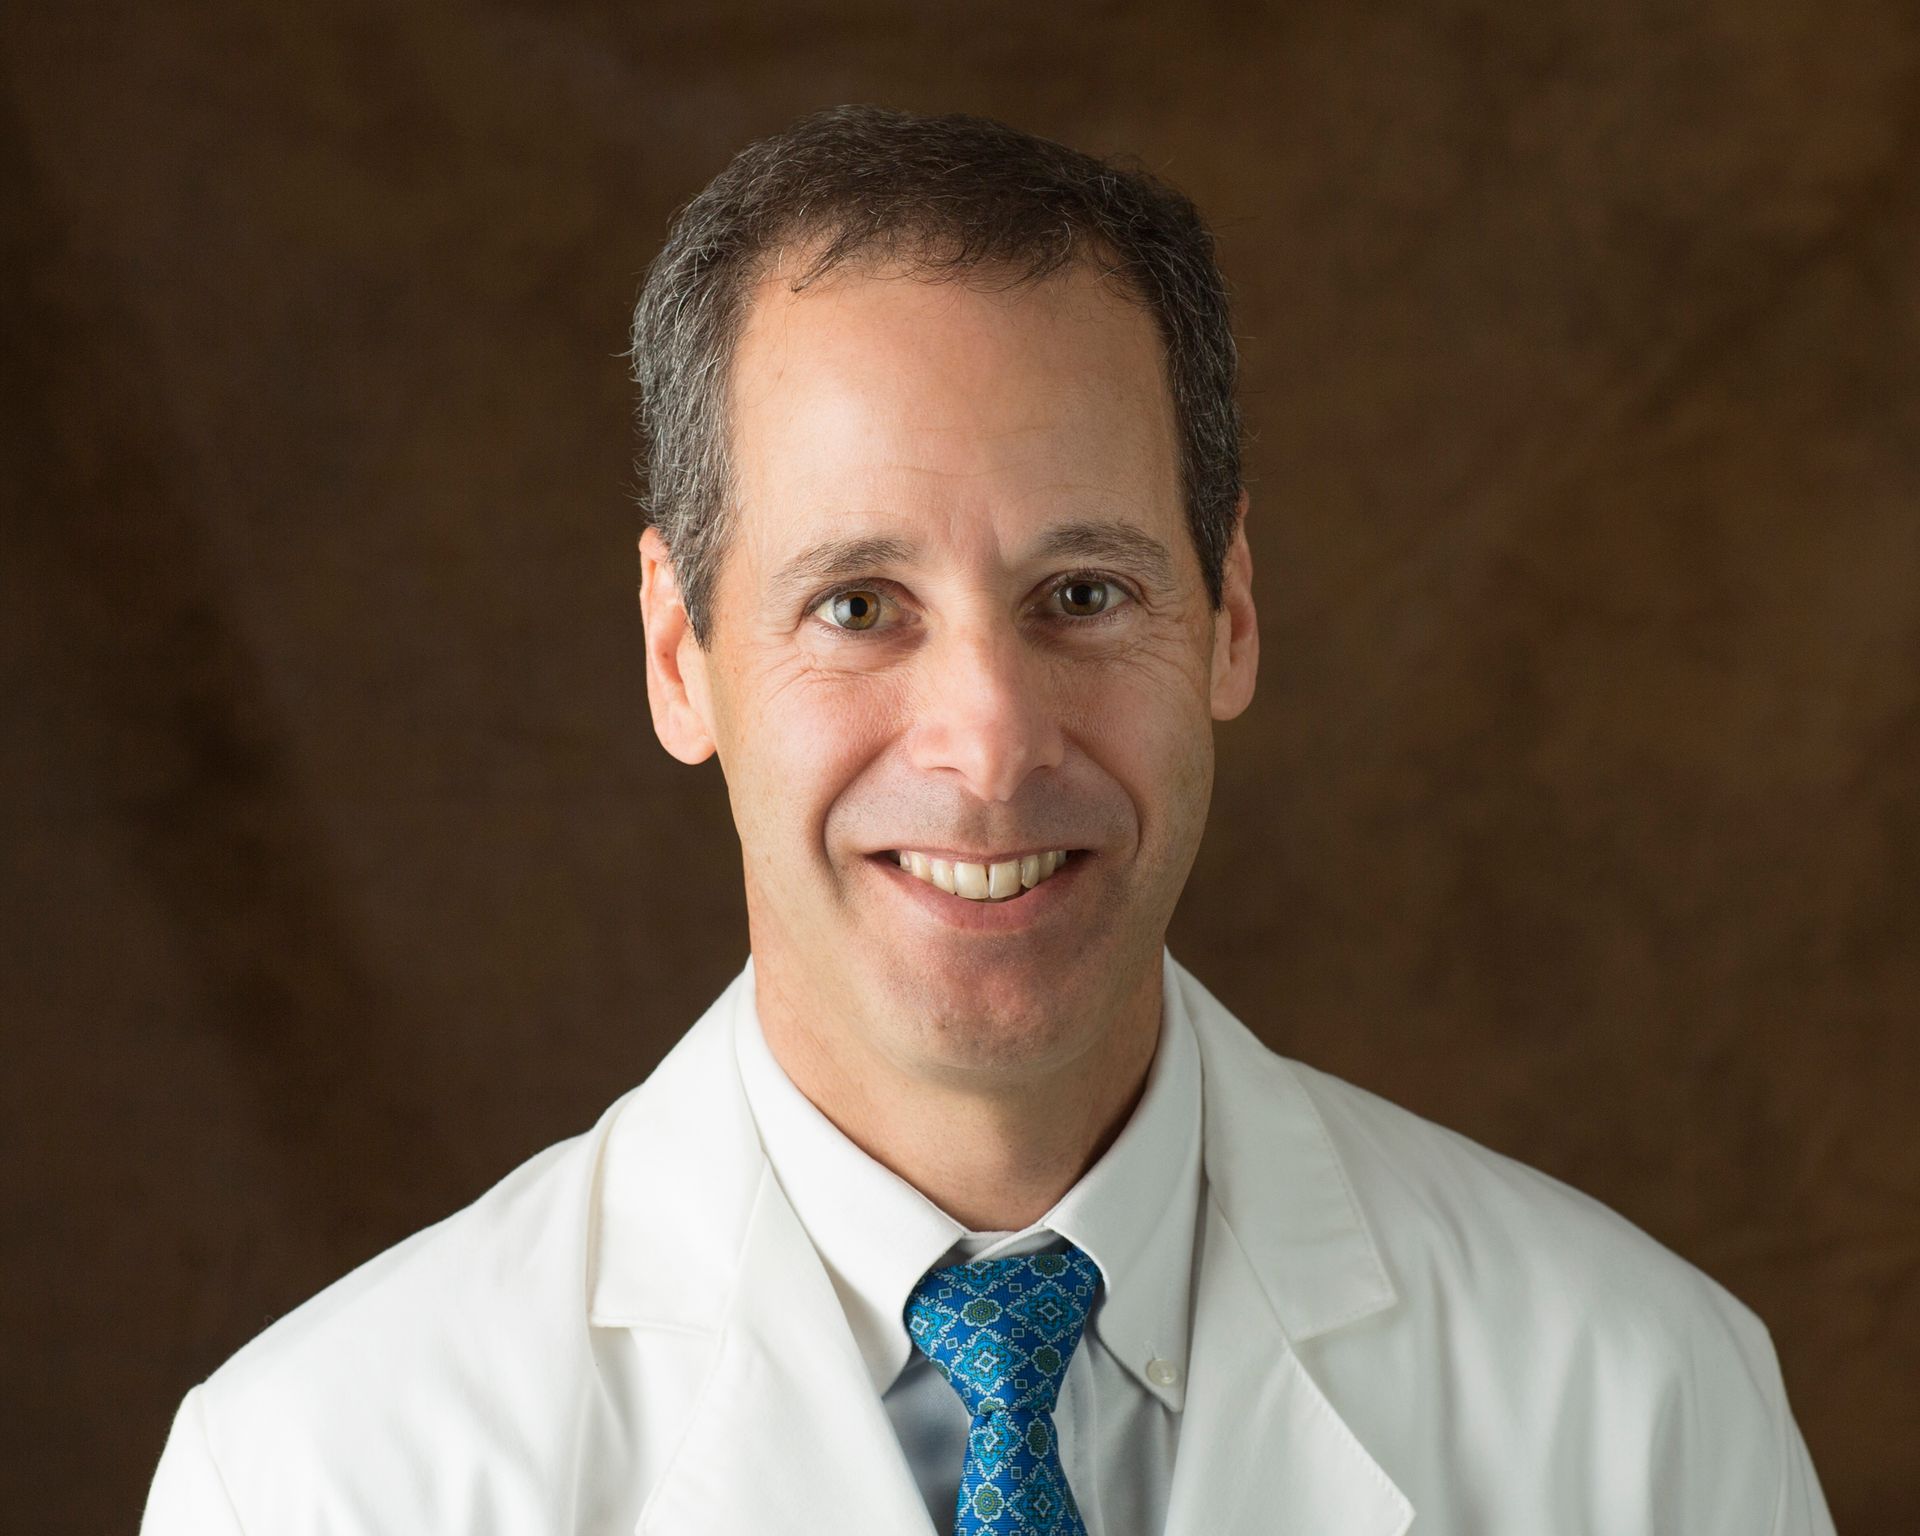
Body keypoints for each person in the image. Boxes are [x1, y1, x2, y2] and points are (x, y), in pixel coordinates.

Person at [141, 104, 1835, 1536]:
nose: (991, 742)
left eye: (1083, 592)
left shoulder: (1646, 1413)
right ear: (678, 656)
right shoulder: (322, 1476)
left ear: (1232, 615)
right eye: (857, 606)